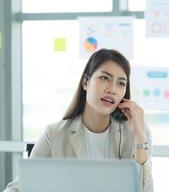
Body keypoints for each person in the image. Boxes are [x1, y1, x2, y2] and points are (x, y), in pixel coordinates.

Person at [4, 49, 153, 192]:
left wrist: (140, 136)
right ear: (85, 82)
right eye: (104, 78)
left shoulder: (137, 134)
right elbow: (18, 187)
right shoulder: (55, 134)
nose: (112, 90)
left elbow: (145, 190)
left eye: (121, 83)